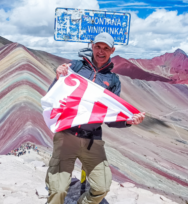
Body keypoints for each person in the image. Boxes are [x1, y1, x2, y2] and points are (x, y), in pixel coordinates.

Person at [45, 32, 145, 204]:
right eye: (98, 46)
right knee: (58, 189)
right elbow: (54, 95)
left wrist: (127, 121)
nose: (101, 51)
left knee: (101, 187)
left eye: (106, 48)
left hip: (92, 140)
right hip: (67, 135)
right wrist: (58, 77)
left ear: (112, 50)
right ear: (92, 46)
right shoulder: (75, 67)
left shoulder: (113, 80)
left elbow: (110, 115)